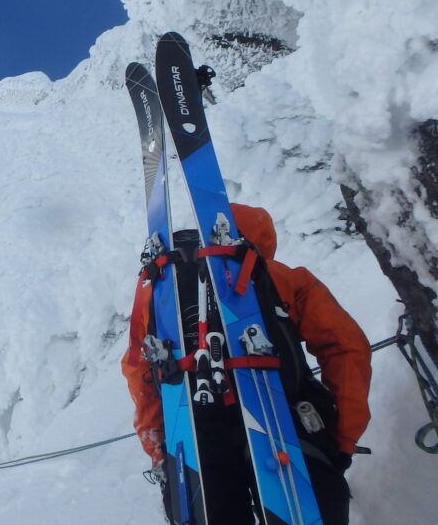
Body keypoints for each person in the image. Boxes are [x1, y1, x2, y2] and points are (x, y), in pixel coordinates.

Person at [121, 203, 372, 524]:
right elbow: (347, 348)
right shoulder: (283, 278)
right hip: (286, 421)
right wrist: (344, 436)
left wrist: (159, 449)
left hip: (195, 436)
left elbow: (138, 370)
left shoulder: (156, 295)